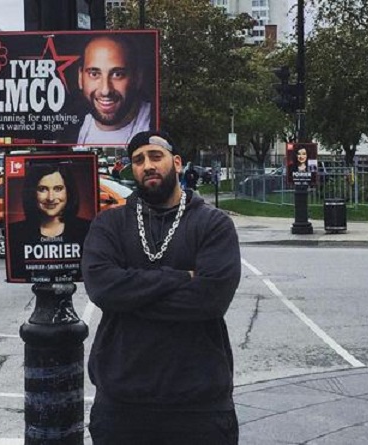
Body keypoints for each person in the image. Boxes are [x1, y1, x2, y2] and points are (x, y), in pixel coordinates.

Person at [81, 130, 242, 445]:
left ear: (177, 163)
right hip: (122, 402)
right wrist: (182, 278)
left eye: (156, 156)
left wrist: (131, 296)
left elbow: (210, 299)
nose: (147, 165)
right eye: (138, 160)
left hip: (198, 404)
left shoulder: (213, 224)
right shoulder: (109, 224)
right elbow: (103, 288)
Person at [8, 162, 92, 282]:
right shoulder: (15, 232)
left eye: (58, 189)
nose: (51, 198)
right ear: (31, 192)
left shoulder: (87, 229)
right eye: (42, 189)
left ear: (68, 192)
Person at [71, 34, 152, 145]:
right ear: (80, 78)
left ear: (137, 78)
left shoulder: (155, 124)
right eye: (94, 74)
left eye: (117, 74)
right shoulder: (72, 128)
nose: (105, 90)